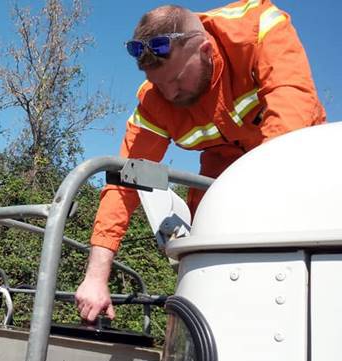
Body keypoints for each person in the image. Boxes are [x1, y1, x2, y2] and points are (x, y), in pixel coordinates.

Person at [75, 0, 326, 322]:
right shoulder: (154, 101)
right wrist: (96, 277)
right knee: (206, 235)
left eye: (177, 79)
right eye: (159, 83)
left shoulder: (258, 28)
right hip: (219, 168)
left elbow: (290, 119)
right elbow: (126, 181)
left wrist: (257, 214)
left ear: (206, 50)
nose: (170, 93)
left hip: (292, 161)